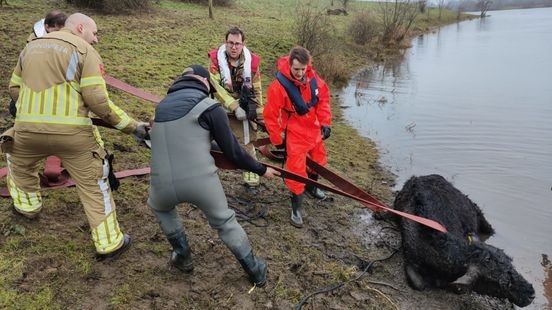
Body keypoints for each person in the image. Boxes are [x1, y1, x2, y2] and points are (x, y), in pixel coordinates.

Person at [6, 13, 149, 260]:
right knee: (96, 183)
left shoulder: (29, 48)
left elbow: (14, 88)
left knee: (17, 164)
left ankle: (28, 207)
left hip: (26, 132)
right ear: (80, 28)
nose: (95, 40)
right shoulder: (85, 51)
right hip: (73, 137)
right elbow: (98, 102)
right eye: (94, 33)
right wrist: (132, 127)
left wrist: (34, 110)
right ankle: (109, 243)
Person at [147, 64, 279, 287]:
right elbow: (233, 152)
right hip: (200, 182)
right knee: (225, 222)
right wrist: (261, 169)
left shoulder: (160, 108)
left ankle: (183, 256)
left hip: (161, 184)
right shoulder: (210, 106)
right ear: (206, 83)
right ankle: (255, 270)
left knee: (160, 208)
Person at [263, 46, 332, 228]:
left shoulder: (313, 78)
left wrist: (325, 122)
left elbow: (323, 99)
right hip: (294, 132)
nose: (300, 73)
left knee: (319, 160)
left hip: (314, 129)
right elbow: (270, 115)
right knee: (295, 170)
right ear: (290, 64)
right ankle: (296, 207)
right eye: (296, 69)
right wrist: (277, 139)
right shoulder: (278, 86)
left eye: (303, 69)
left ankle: (312, 186)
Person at [208, 27, 264, 193]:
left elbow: (257, 89)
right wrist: (234, 106)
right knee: (207, 140)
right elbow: (217, 89)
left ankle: (251, 179)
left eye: (237, 44)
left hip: (245, 108)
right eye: (230, 43)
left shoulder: (252, 63)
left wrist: (259, 115)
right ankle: (206, 178)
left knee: (247, 142)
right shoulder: (215, 62)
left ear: (243, 44)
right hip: (220, 107)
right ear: (225, 43)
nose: (233, 47)